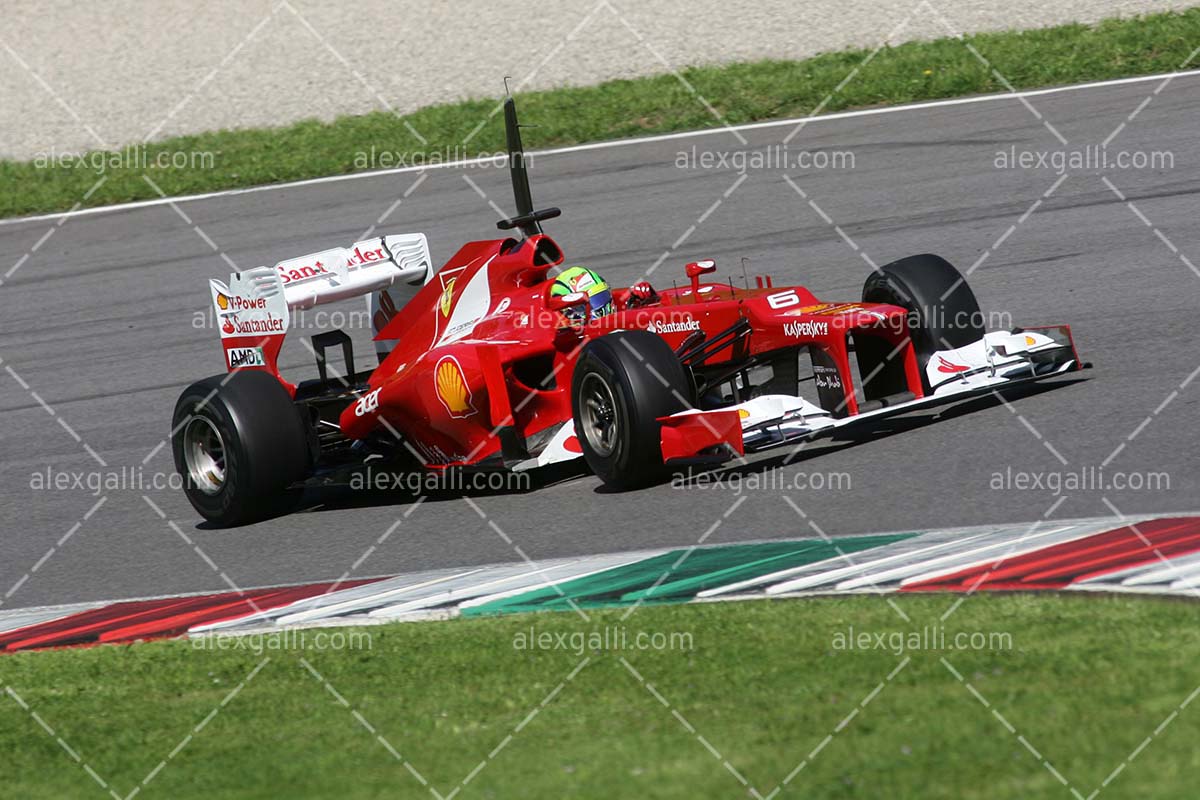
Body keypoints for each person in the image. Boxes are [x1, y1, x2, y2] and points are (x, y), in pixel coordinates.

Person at [549, 266, 658, 321]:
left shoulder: (616, 313)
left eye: (601, 297)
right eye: (591, 302)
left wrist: (649, 298)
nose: (603, 307)